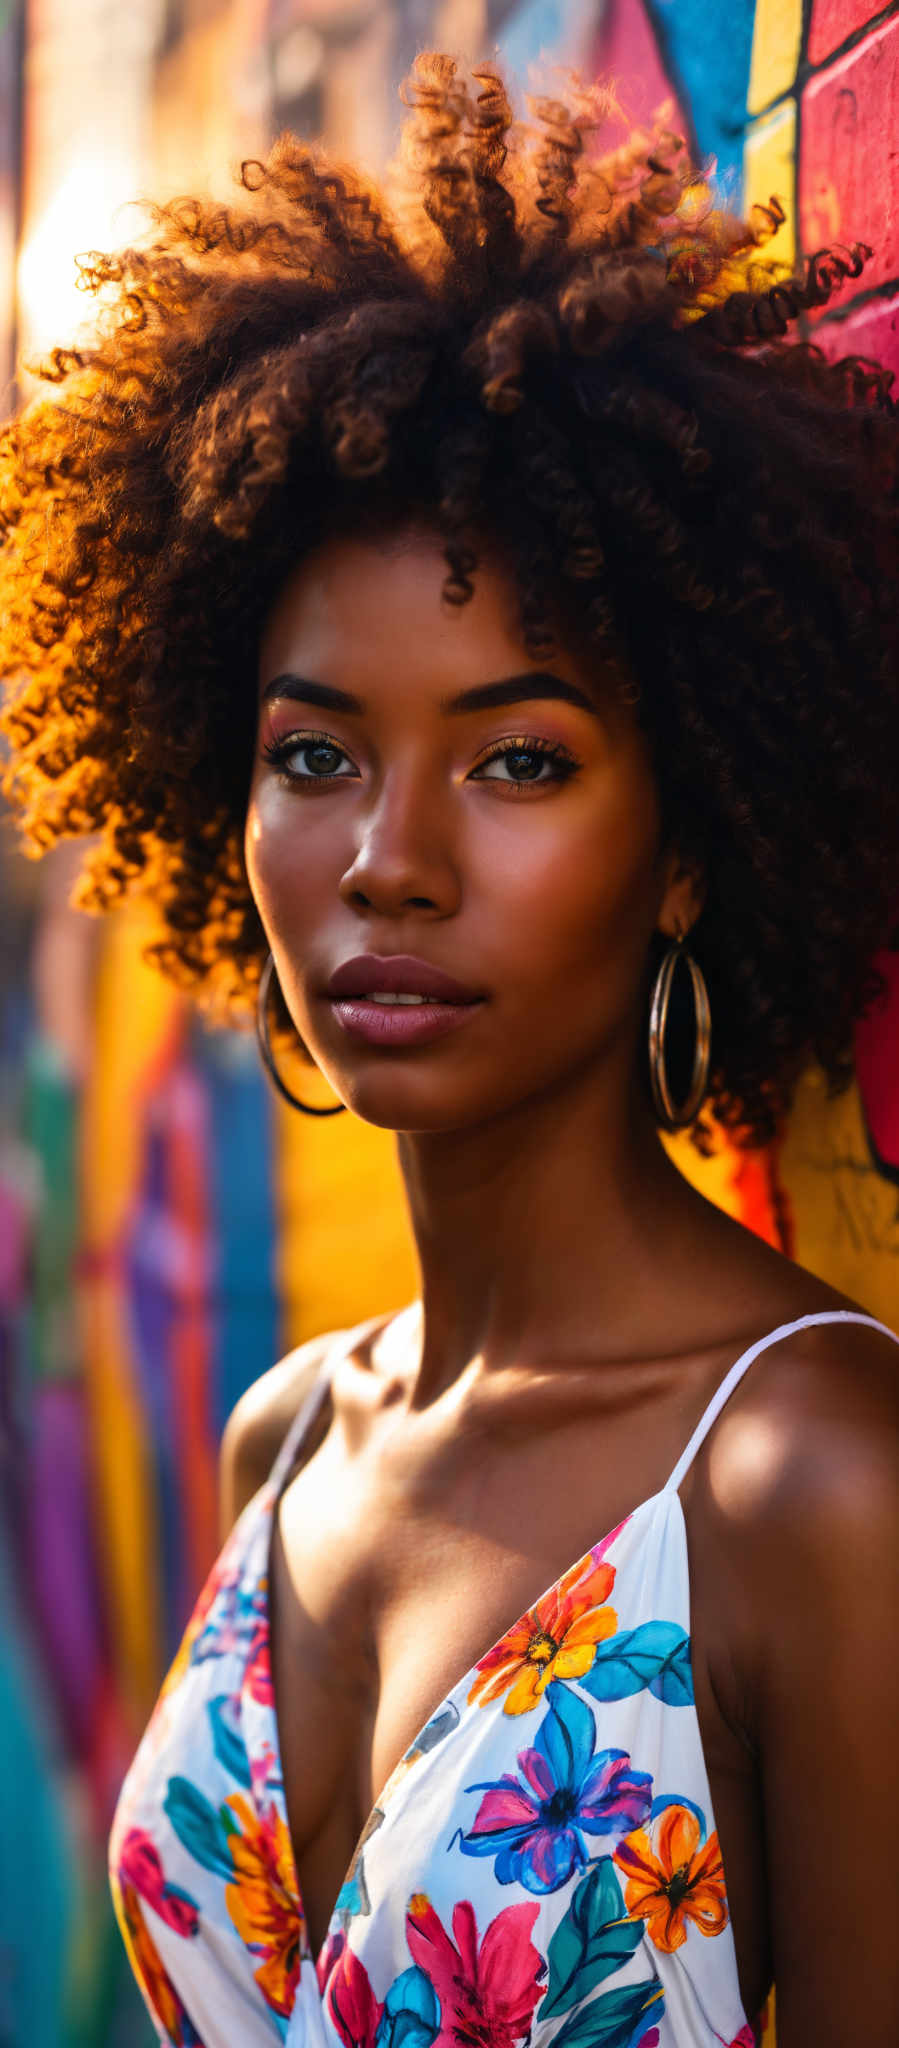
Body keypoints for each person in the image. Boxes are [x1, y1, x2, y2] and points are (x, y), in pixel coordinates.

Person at [2, 52, 897, 2048]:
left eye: (518, 759)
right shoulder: (285, 1433)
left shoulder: (800, 1490)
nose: (389, 864)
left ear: (686, 843)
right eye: (315, 754)